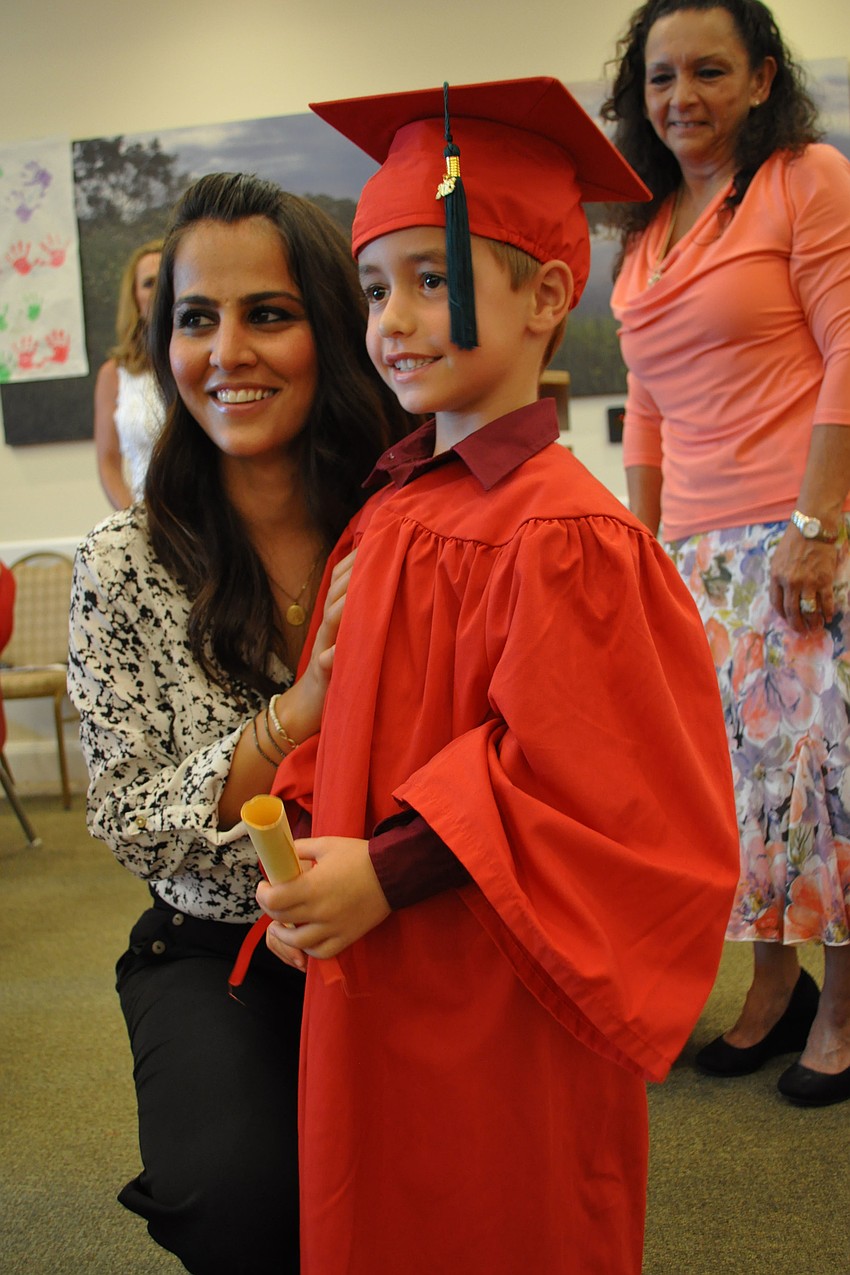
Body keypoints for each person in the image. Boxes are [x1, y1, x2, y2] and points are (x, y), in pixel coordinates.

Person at [253, 78, 740, 1275]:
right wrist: (311, 851)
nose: (395, 321)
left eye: (435, 278)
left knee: (497, 1212)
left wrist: (389, 867)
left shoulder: (566, 537)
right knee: (376, 1207)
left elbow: (600, 791)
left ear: (548, 297)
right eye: (375, 288)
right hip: (371, 960)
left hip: (496, 979)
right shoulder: (392, 511)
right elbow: (343, 717)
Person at [67, 172, 409, 1275]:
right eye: (196, 320)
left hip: (410, 922)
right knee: (240, 1200)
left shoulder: (412, 526)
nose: (228, 353)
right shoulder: (121, 565)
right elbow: (130, 818)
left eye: (269, 313)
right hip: (218, 946)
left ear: (335, 328)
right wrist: (293, 717)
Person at [605, 0, 850, 1107]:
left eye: (708, 71)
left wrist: (816, 525)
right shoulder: (648, 221)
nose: (681, 99)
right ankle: (770, 990)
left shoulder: (806, 177)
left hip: (799, 530)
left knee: (823, 784)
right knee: (742, 795)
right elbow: (646, 406)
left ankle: (842, 1014)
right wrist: (641, 545)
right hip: (696, 552)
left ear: (759, 79)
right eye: (661, 78)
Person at [94, 239, 166, 509]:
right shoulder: (113, 374)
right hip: (143, 518)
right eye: (149, 283)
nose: (159, 290)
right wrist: (133, 521)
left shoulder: (207, 361)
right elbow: (108, 462)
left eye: (166, 279)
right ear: (135, 296)